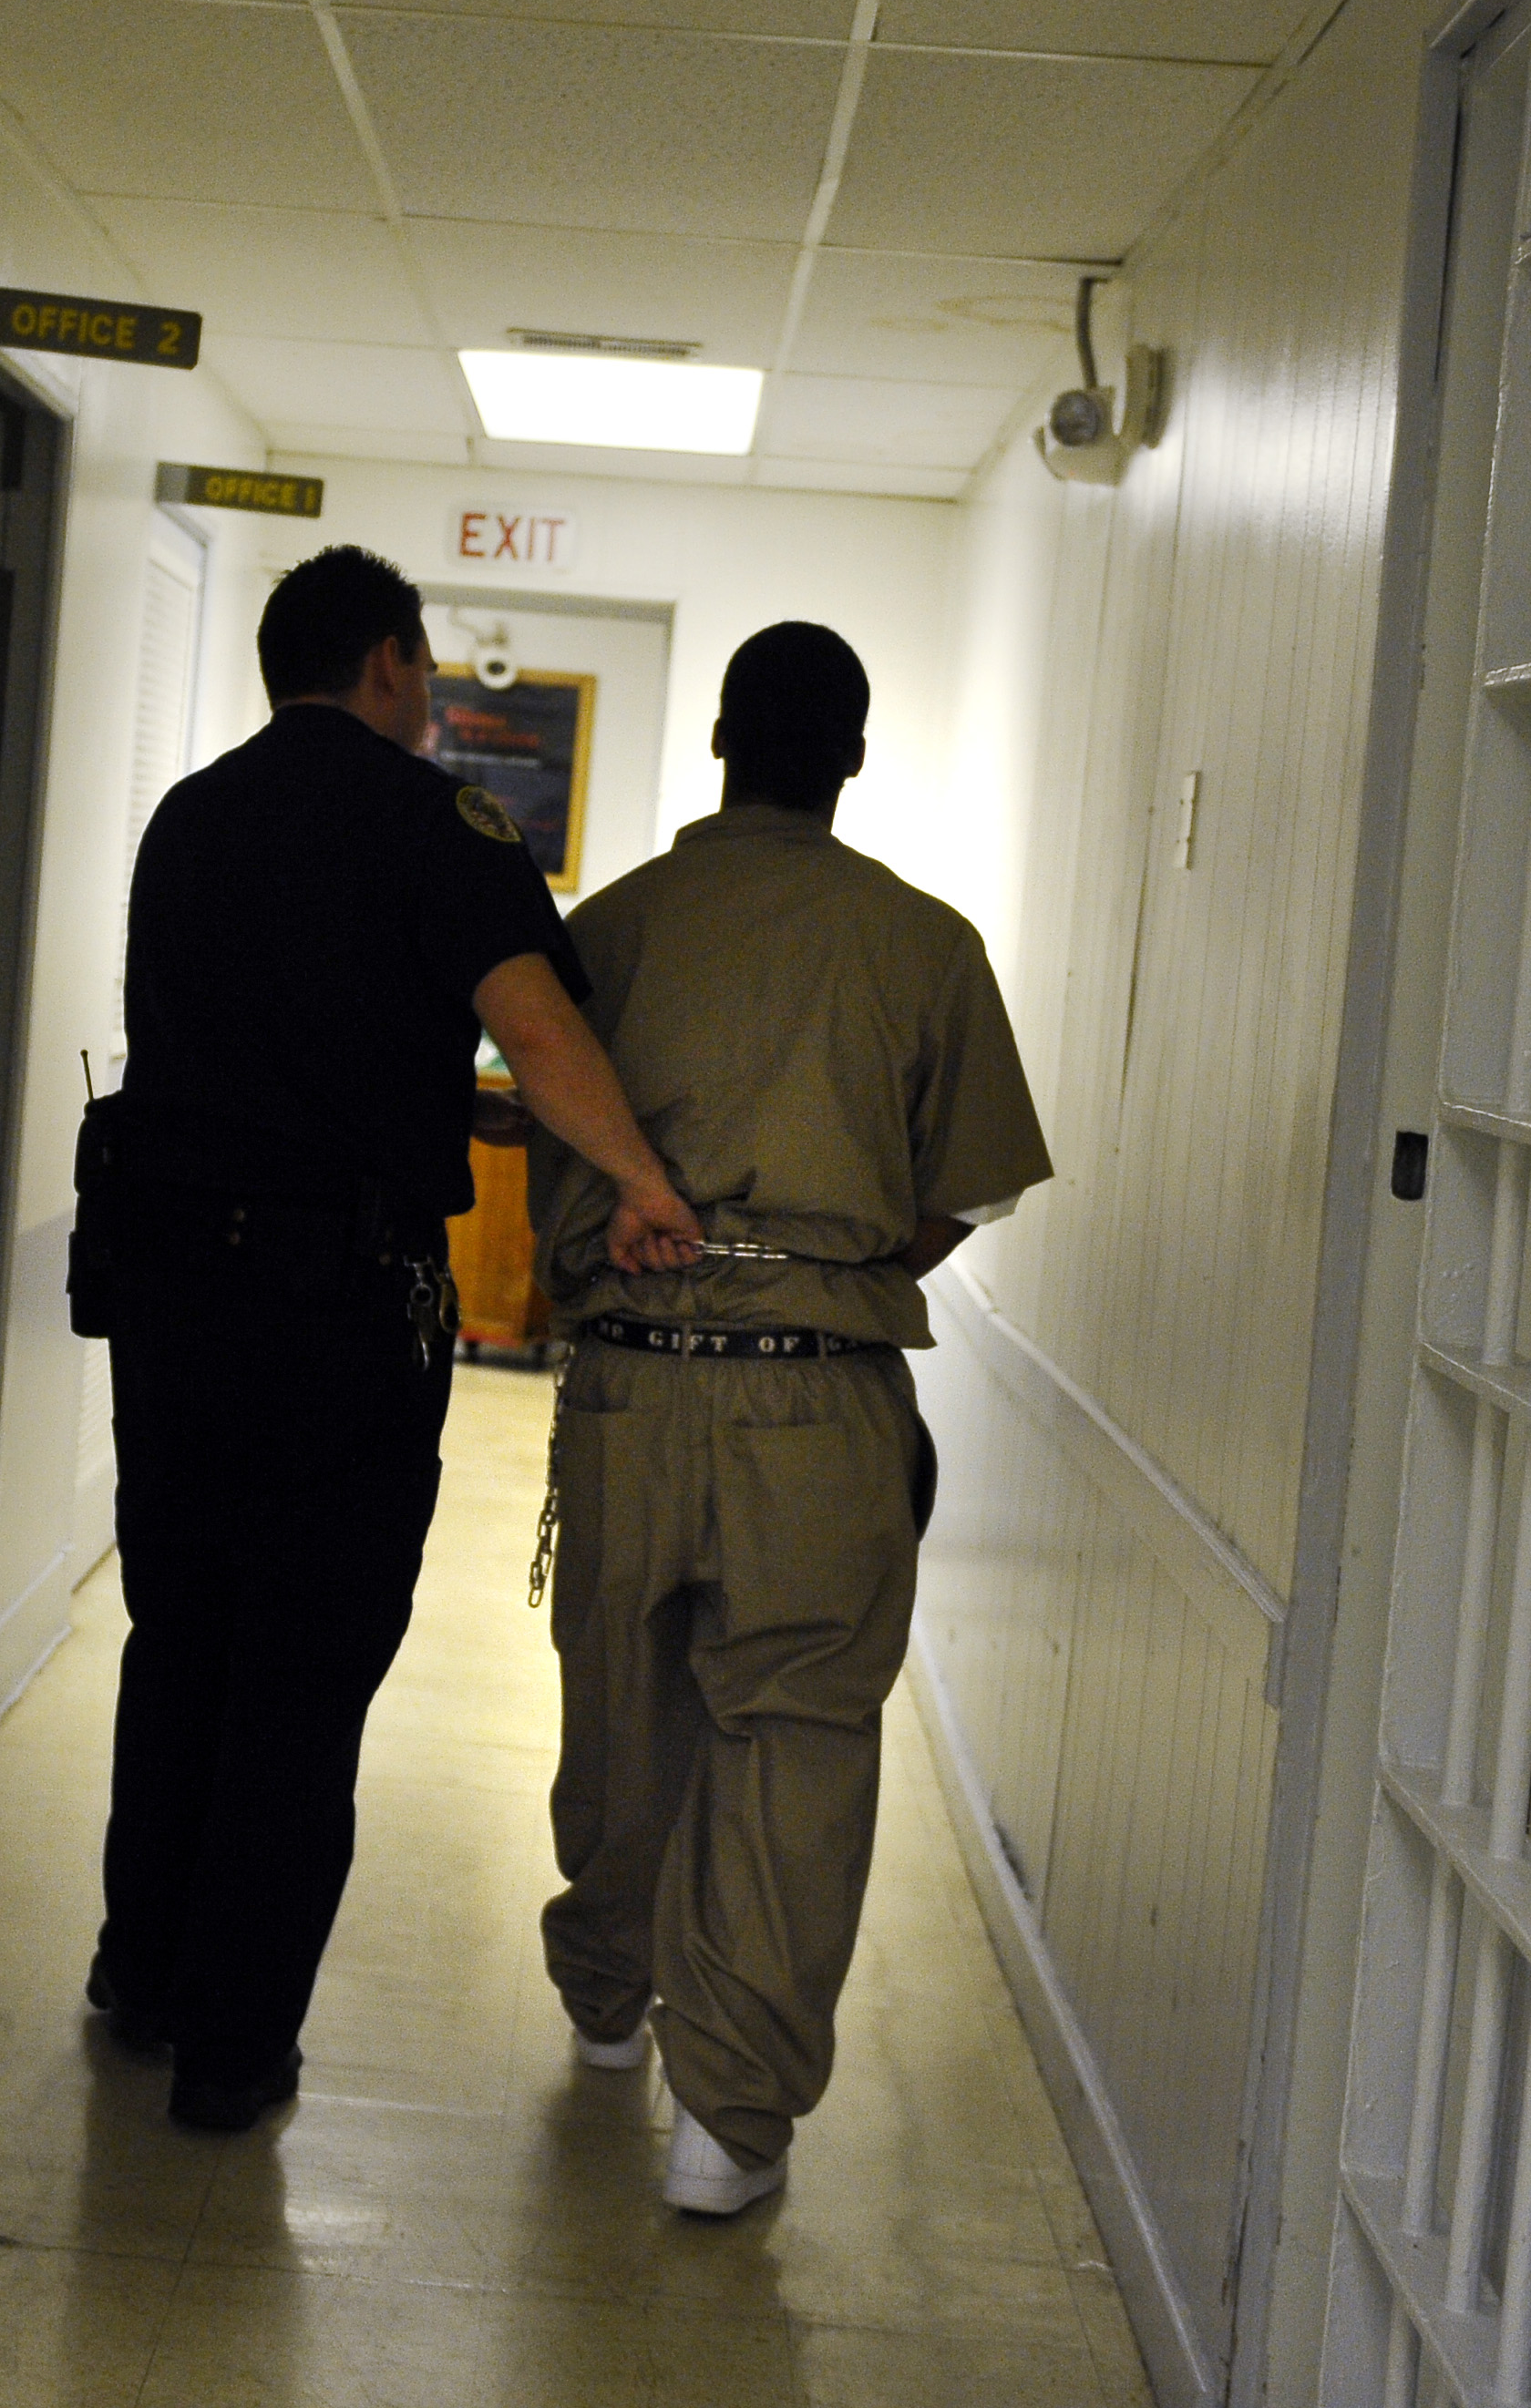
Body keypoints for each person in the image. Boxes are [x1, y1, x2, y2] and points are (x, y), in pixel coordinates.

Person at [86, 544, 702, 2132]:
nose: (426, 697)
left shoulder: (189, 814)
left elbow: (267, 1044)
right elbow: (538, 1026)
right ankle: (232, 2052)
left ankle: (141, 1977)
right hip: (332, 1315)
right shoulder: (436, 822)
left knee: (181, 1636)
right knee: (301, 1669)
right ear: (388, 662)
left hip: (168, 1298)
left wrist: (432, 1106)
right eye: (421, 668)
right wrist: (641, 1181)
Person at [524, 620, 1052, 2213]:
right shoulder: (924, 946)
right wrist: (827, 1262)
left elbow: (550, 1155)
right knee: (794, 1740)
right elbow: (964, 1186)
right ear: (853, 759)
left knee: (625, 1709)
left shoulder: (605, 931)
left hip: (629, 1387)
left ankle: (605, 1999)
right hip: (817, 1398)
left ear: (718, 742)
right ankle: (730, 2125)